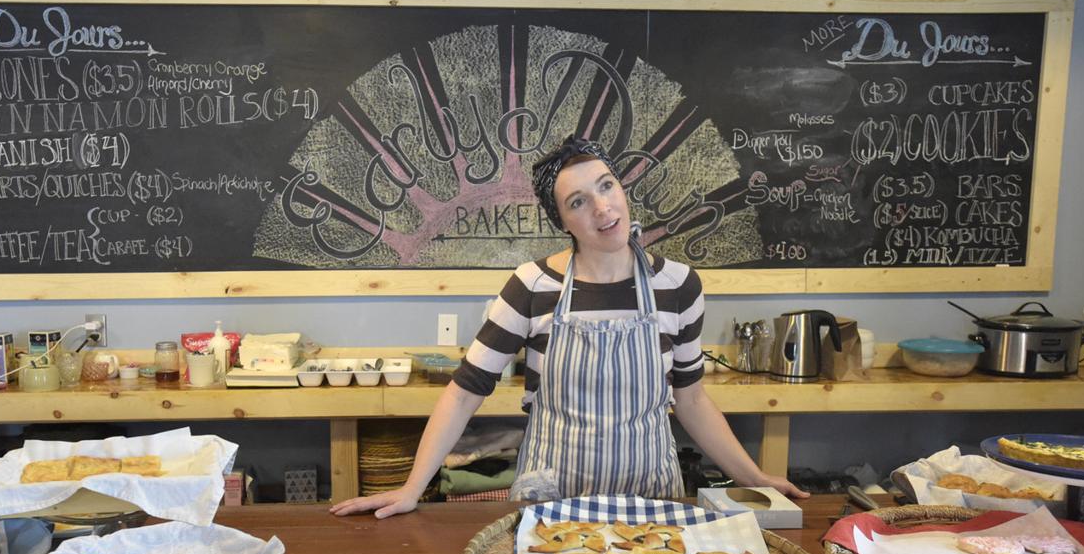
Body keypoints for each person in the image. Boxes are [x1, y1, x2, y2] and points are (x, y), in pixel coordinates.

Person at [331, 136, 808, 518]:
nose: (601, 208)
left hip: (650, 504)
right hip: (551, 505)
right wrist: (414, 488)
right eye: (578, 201)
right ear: (563, 220)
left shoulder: (678, 286)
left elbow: (692, 398)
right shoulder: (532, 286)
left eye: (606, 186)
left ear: (621, 188)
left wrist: (754, 478)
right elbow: (464, 391)